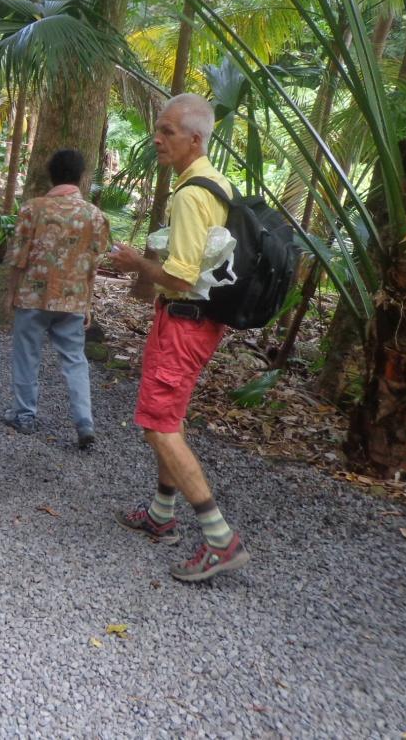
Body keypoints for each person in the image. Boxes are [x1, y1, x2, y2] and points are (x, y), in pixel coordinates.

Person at [108, 94, 250, 582]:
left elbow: (182, 277)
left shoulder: (192, 194)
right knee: (170, 417)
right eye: (158, 129)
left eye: (167, 131)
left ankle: (219, 538)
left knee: (157, 424)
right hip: (199, 323)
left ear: (195, 139)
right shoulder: (217, 182)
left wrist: (135, 264)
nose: (157, 138)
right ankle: (161, 513)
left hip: (185, 321)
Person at [1, 149, 110, 447]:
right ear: (81, 177)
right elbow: (93, 265)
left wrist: (11, 293)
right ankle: (84, 422)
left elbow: (17, 258)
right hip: (73, 300)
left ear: (50, 174)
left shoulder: (32, 209)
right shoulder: (94, 215)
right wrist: (87, 303)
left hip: (33, 296)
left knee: (27, 355)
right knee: (75, 359)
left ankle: (24, 414)